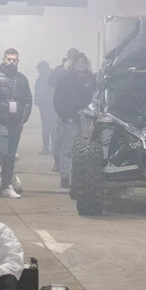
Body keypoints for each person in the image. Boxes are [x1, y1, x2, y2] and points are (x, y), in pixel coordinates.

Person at [0, 48, 33, 199]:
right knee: (1, 152)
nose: (11, 62)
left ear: (18, 60)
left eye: (14, 59)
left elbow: (28, 100)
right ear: (3, 59)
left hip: (15, 123)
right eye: (9, 59)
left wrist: (23, 117)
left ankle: (6, 186)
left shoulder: (22, 79)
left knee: (10, 155)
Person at [53, 52, 95, 189]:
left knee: (88, 150)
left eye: (83, 61)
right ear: (74, 64)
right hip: (71, 119)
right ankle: (65, 176)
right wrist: (66, 116)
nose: (81, 64)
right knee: (69, 149)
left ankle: (82, 177)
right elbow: (58, 100)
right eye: (78, 62)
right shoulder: (66, 80)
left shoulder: (92, 79)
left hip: (90, 120)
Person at [49, 48, 81, 172]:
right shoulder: (60, 70)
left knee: (77, 138)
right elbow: (51, 82)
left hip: (77, 110)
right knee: (61, 136)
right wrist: (64, 69)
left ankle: (72, 164)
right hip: (63, 110)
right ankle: (58, 162)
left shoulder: (81, 69)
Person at [35, 60, 56, 155]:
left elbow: (38, 91)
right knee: (50, 127)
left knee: (49, 127)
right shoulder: (48, 76)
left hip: (49, 105)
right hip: (46, 105)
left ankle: (48, 147)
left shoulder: (48, 77)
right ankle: (51, 147)